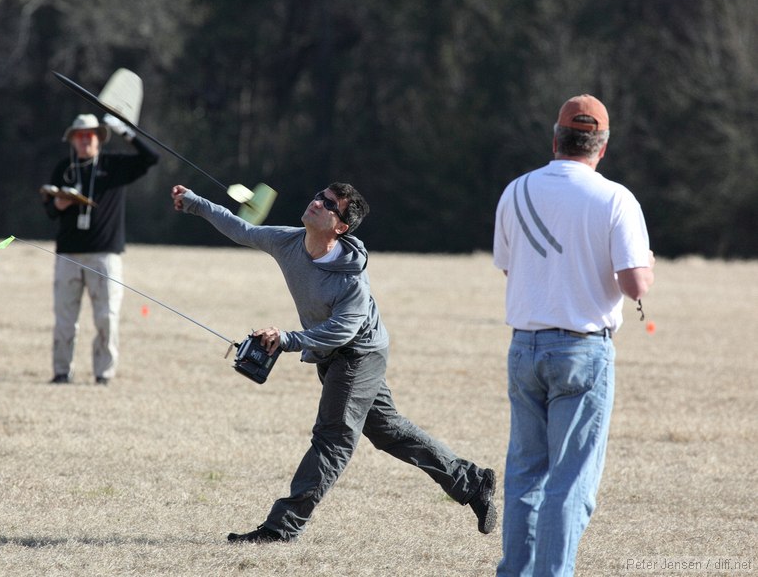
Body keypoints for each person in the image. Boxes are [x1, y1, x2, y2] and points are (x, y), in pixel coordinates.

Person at [172, 182, 497, 543]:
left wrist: (287, 339)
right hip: (330, 355)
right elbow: (242, 229)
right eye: (319, 196)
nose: (316, 202)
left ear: (341, 226)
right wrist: (194, 203)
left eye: (328, 204)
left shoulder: (351, 278)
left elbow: (340, 332)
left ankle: (282, 528)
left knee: (332, 439)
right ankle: (472, 481)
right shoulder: (288, 241)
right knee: (387, 430)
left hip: (358, 355)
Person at [493, 94, 655, 575]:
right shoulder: (615, 198)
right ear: (602, 147)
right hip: (583, 350)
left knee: (524, 477)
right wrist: (647, 266)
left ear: (555, 139)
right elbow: (634, 285)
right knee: (570, 484)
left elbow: (510, 267)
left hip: (524, 346)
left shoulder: (516, 191)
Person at [43, 113, 158, 385]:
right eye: (80, 135)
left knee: (107, 317)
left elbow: (152, 158)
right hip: (68, 253)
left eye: (90, 135)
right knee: (64, 318)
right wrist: (59, 204)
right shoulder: (64, 168)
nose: (85, 140)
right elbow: (49, 209)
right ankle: (61, 372)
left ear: (99, 138)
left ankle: (103, 375)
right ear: (72, 140)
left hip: (105, 253)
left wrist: (125, 131)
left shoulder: (114, 165)